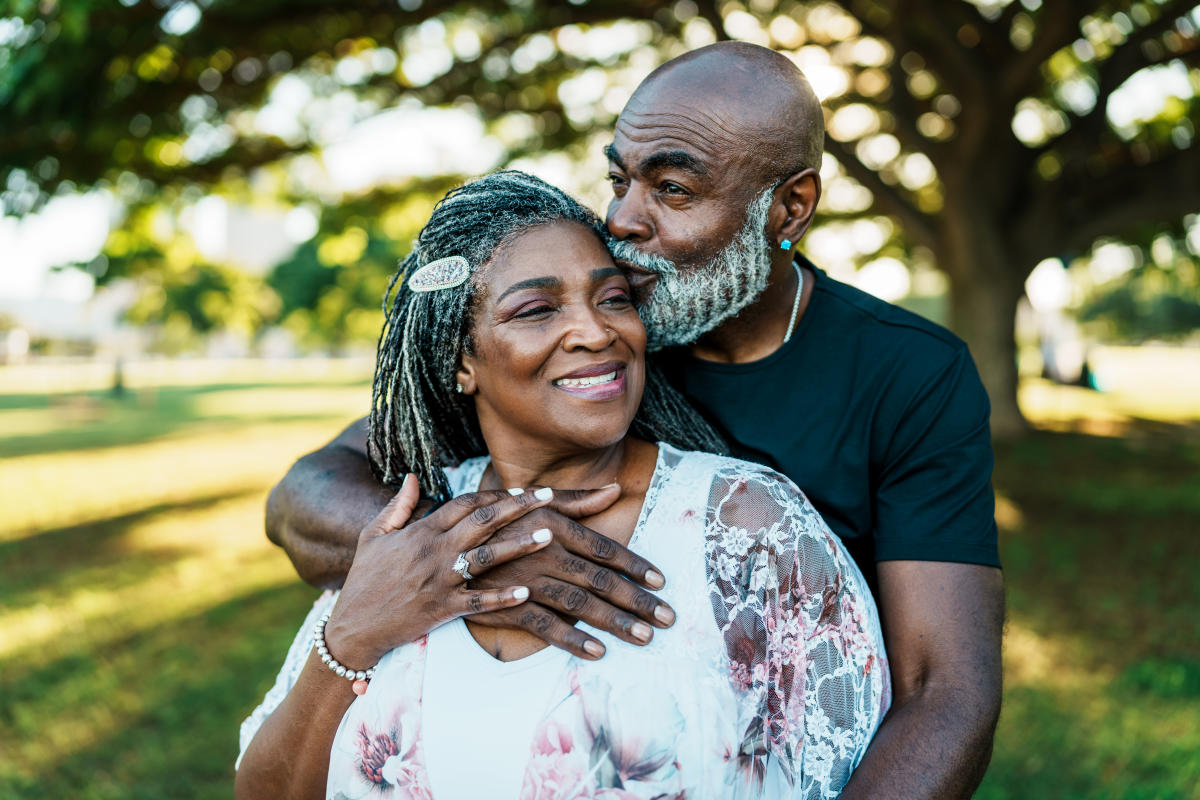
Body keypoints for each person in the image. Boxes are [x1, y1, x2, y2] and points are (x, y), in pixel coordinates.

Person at [265, 43, 1004, 799]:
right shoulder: (587, 349)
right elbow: (305, 495)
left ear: (790, 208)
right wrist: (487, 549)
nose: (622, 219)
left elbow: (944, 692)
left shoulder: (907, 374)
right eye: (620, 178)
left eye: (673, 188)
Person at [235, 171, 888, 799]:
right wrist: (350, 637)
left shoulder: (747, 525)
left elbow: (846, 765)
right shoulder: (406, 528)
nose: (597, 331)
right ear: (461, 361)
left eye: (613, 298)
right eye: (537, 309)